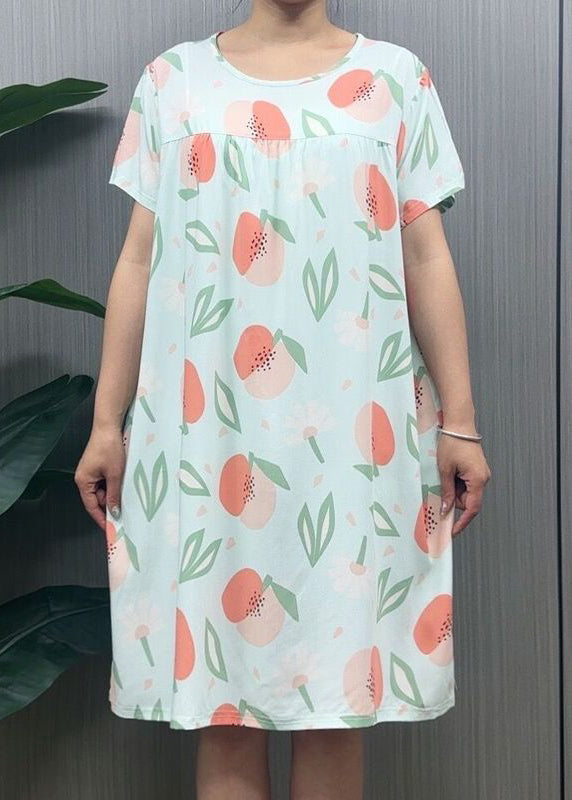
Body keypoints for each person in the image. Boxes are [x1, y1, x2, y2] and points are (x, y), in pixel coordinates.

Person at [75, 2, 491, 797]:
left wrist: (461, 423)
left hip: (353, 443)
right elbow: (138, 258)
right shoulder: (173, 81)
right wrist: (106, 421)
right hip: (206, 437)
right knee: (223, 704)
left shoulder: (395, 80)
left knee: (336, 702)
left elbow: (425, 255)